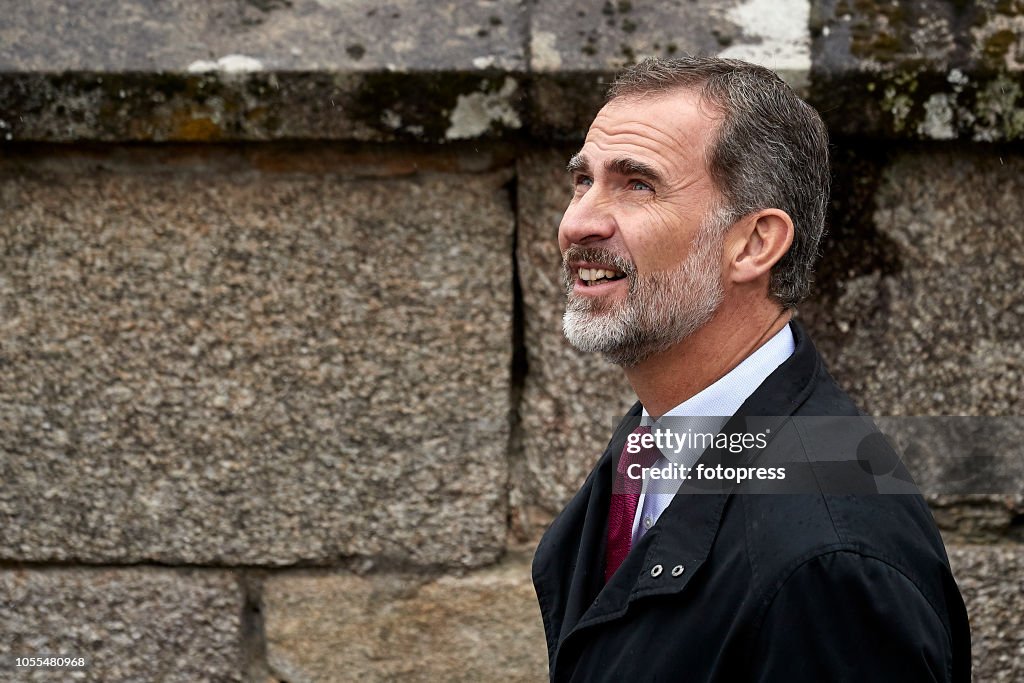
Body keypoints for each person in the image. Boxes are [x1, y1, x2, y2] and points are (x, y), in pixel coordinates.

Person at [531, 56, 971, 682]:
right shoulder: (657, 447)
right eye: (583, 181)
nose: (578, 222)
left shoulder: (830, 560)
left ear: (755, 243)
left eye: (638, 185)